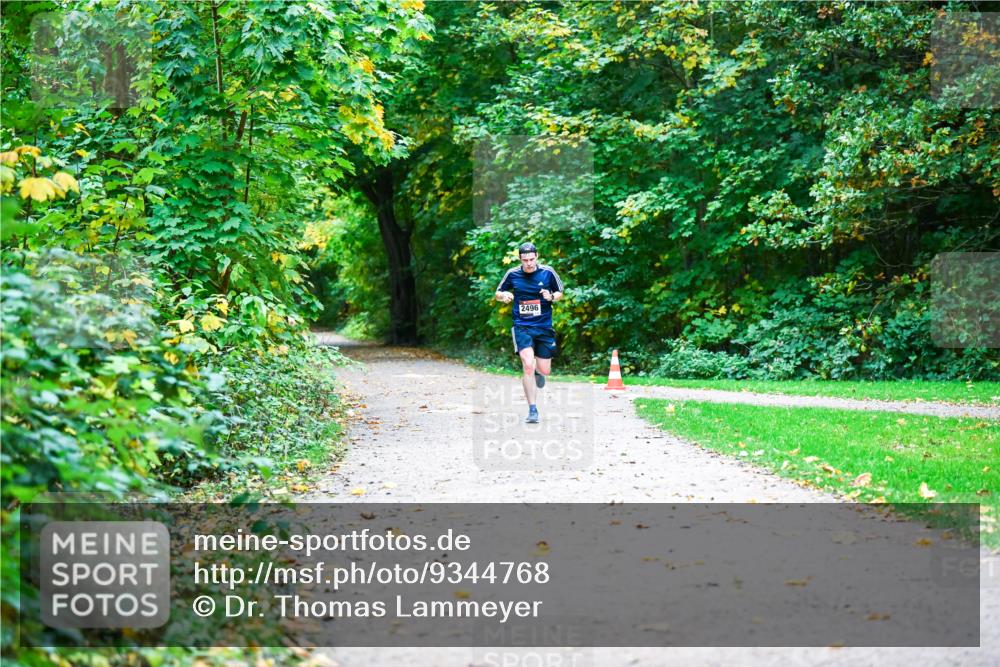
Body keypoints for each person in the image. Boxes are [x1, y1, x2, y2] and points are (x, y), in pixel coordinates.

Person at [494, 242, 564, 423]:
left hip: (544, 327)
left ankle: (539, 373)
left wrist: (551, 297)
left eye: (532, 259)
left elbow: (560, 292)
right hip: (522, 326)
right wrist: (504, 296)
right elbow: (498, 292)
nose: (529, 263)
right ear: (520, 259)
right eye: (525, 260)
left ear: (537, 256)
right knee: (527, 364)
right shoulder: (512, 274)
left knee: (544, 370)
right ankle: (533, 409)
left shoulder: (548, 272)